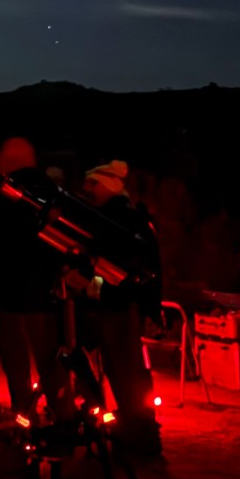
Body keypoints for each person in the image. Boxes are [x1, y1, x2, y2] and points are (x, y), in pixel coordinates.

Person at [67, 160, 163, 457]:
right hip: (113, 306)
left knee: (126, 375)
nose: (88, 190)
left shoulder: (119, 219)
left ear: (108, 185)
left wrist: (88, 278)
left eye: (93, 184)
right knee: (124, 374)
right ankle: (135, 433)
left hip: (119, 308)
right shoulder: (116, 216)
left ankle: (138, 438)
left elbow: (123, 267)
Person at [0, 137, 72, 422]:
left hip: (6, 294)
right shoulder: (50, 192)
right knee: (50, 361)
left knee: (15, 361)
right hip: (43, 293)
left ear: (7, 163)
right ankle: (62, 415)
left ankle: (24, 417)